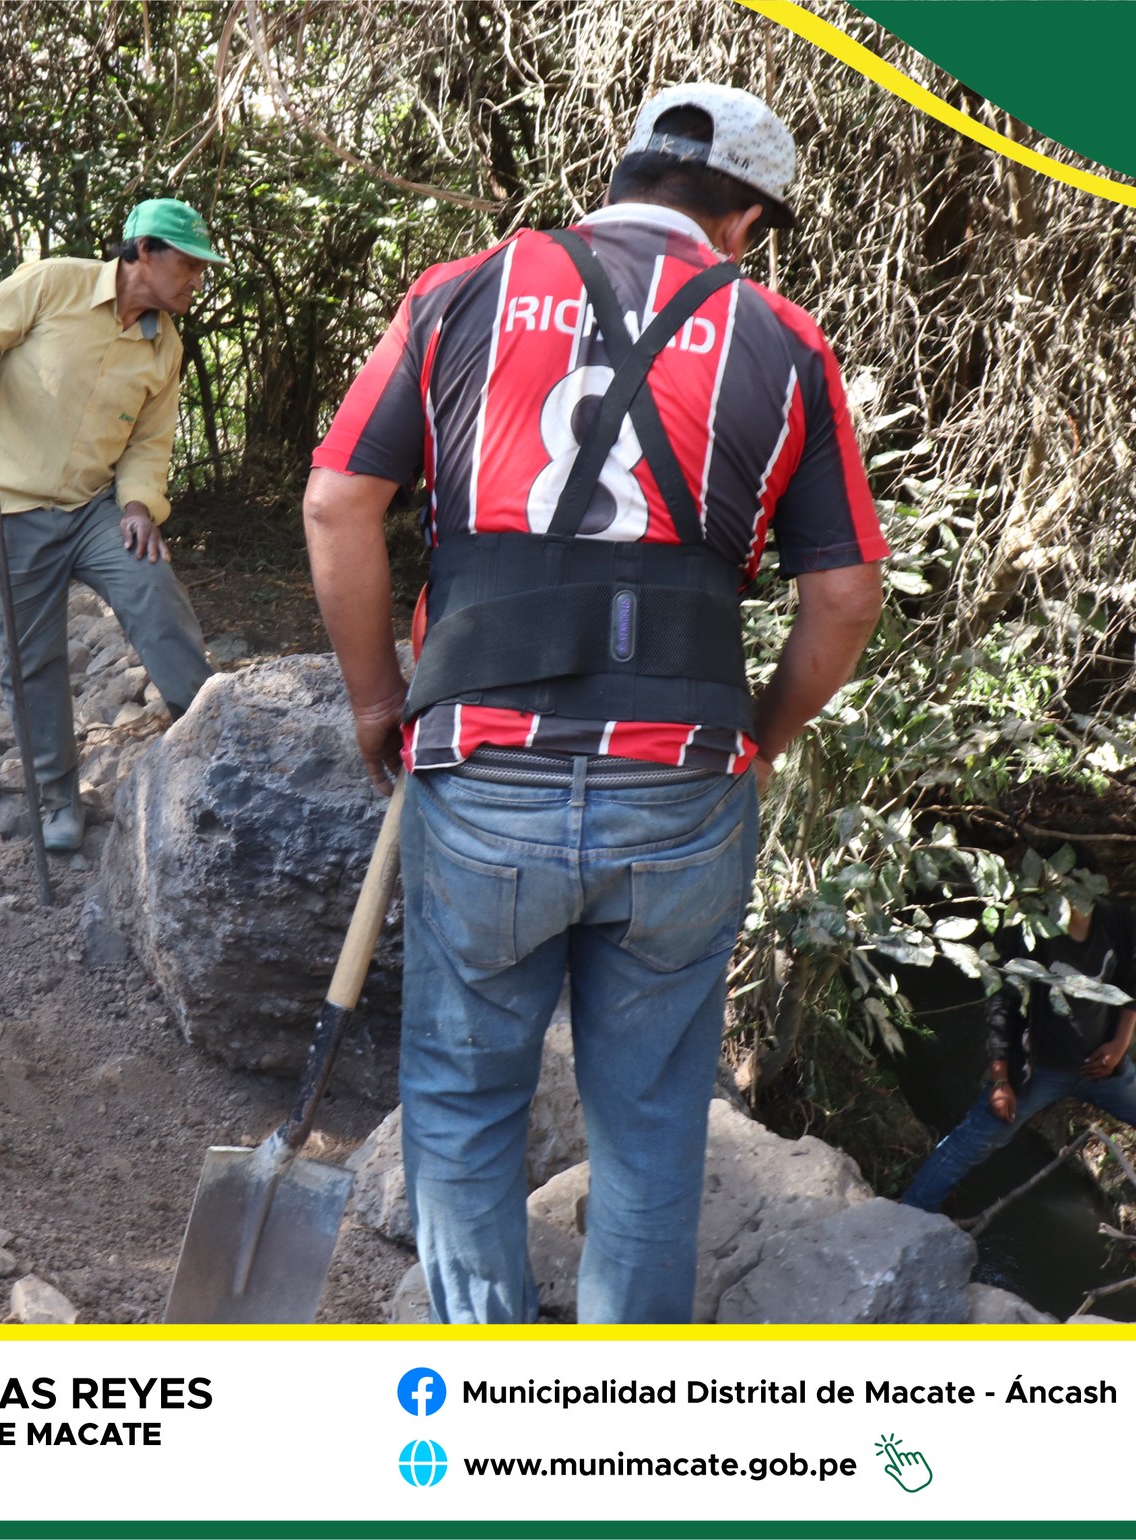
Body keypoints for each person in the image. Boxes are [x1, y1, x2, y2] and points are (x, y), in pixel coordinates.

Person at [303, 84, 889, 1324]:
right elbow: (838, 596)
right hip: (680, 784)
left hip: (479, 758)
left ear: (623, 173)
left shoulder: (460, 292)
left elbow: (336, 501)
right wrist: (759, 744)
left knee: (463, 1103)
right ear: (742, 220)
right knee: (650, 1127)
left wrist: (374, 701)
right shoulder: (780, 343)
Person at [0, 199, 220, 851]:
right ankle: (58, 799)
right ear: (144, 252)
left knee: (154, 593)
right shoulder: (52, 283)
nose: (198, 280)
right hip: (10, 507)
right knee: (33, 658)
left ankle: (217, 746)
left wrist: (141, 505)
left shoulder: (164, 345)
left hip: (95, 510)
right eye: (190, 265)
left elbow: (150, 443)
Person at [900, 888, 1136, 1211]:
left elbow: (1131, 982)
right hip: (1038, 1070)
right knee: (974, 1138)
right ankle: (911, 1212)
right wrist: (1001, 1080)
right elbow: (1003, 1003)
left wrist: (1119, 1044)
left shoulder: (1117, 920)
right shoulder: (1029, 931)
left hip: (1103, 1068)